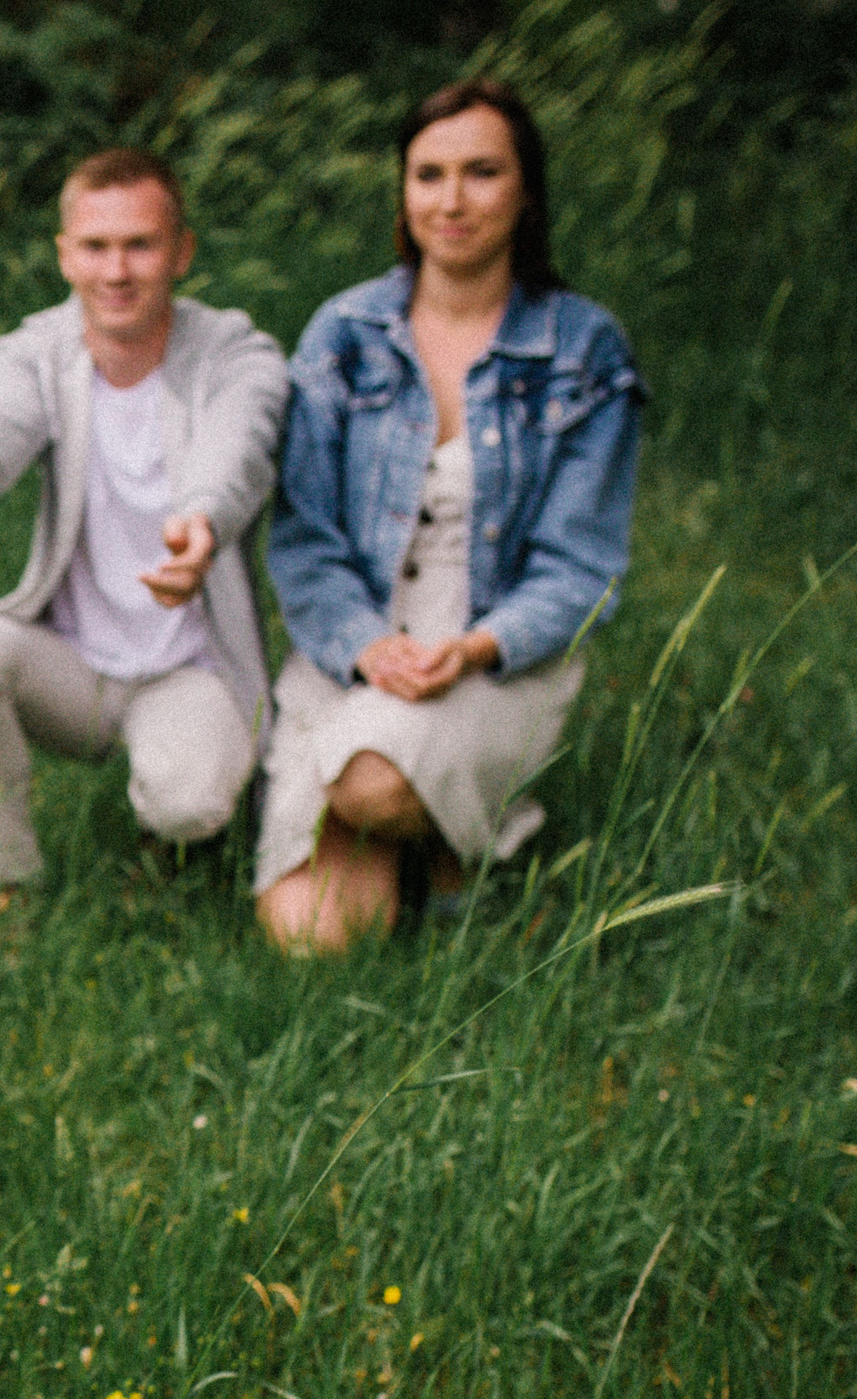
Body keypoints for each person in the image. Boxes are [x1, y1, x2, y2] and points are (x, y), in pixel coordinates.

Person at [255, 78, 645, 953]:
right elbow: (305, 538)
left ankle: (441, 826)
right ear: (403, 192)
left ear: (526, 192)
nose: (453, 201)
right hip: (354, 650)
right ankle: (437, 844)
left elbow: (580, 567)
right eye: (428, 175)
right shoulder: (344, 334)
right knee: (309, 937)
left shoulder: (584, 350)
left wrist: (468, 649)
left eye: (482, 173)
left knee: (369, 782)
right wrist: (364, 645)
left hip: (496, 655)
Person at [0, 147, 290, 897]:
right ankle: (12, 882)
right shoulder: (37, 351)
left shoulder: (238, 354)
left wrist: (202, 524)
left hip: (191, 666)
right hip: (73, 666)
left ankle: (172, 843)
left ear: (182, 252)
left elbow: (237, 448)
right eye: (96, 247)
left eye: (140, 245)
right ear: (64, 256)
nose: (117, 272)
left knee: (190, 802)